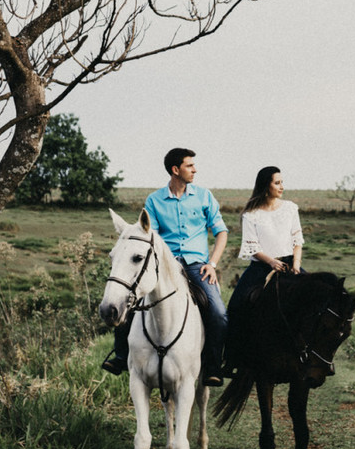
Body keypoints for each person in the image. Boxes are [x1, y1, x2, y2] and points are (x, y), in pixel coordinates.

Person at [102, 147, 229, 387]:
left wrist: (212, 264)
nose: (195, 170)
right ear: (175, 170)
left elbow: (221, 232)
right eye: (189, 165)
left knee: (218, 313)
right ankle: (121, 357)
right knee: (131, 302)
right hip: (166, 267)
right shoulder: (154, 200)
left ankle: (213, 366)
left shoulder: (204, 196)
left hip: (197, 267)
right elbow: (150, 237)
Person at [228, 165, 304, 319]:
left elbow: (297, 240)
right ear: (265, 185)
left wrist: (296, 265)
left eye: (282, 182)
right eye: (277, 183)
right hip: (261, 268)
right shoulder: (251, 214)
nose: (282, 187)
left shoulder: (290, 208)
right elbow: (253, 247)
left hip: (290, 265)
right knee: (235, 305)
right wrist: (271, 262)